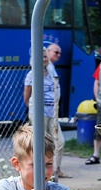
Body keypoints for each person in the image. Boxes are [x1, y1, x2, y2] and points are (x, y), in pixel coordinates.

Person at [45, 43, 68, 180]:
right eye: (56, 52)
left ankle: (56, 169)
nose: (58, 55)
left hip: (53, 112)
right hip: (44, 113)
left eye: (60, 53)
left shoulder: (52, 68)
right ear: (48, 52)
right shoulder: (43, 69)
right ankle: (47, 171)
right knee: (43, 144)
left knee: (59, 142)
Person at [24, 49, 56, 136]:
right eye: (40, 57)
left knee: (58, 142)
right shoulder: (31, 74)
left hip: (52, 112)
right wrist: (32, 107)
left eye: (45, 57)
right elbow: (27, 95)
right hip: (39, 112)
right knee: (42, 140)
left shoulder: (51, 72)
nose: (43, 59)